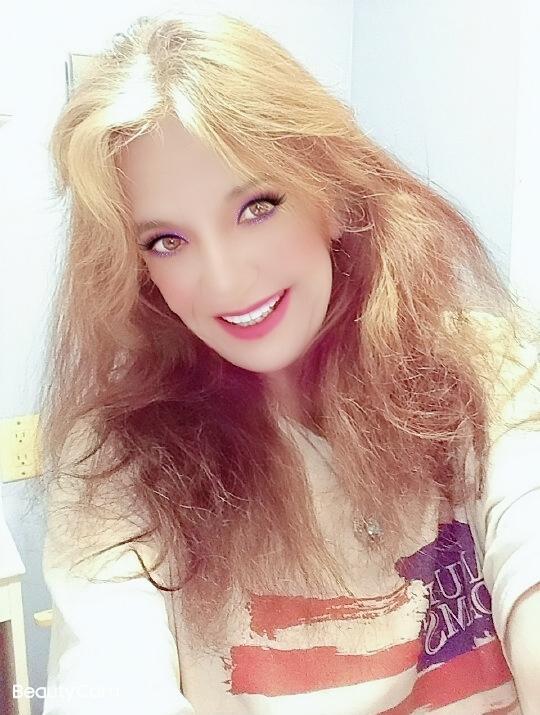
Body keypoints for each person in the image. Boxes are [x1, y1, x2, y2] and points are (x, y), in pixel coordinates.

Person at [38, 11, 540, 715]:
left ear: (330, 194)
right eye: (166, 241)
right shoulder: (120, 461)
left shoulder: (487, 370)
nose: (225, 280)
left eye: (257, 206)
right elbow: (107, 681)